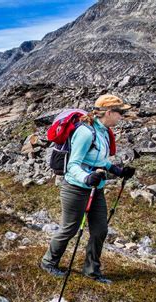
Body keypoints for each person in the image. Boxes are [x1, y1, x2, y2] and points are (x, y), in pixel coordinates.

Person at [41, 94, 136, 284]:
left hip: (96, 188)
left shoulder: (104, 133)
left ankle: (92, 271)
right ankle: (49, 262)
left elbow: (100, 160)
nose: (121, 117)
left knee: (100, 230)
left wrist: (117, 170)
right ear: (108, 112)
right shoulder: (86, 132)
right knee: (70, 228)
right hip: (75, 188)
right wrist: (86, 177)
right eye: (120, 113)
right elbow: (73, 164)